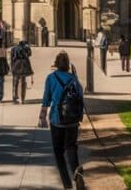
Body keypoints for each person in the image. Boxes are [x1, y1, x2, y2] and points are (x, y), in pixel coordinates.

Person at [40, 52, 86, 190]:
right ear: (67, 65)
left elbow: (46, 100)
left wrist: (42, 117)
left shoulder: (51, 78)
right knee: (71, 148)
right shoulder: (74, 79)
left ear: (56, 64)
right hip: (72, 120)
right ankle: (77, 175)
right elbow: (80, 98)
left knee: (58, 151)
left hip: (57, 119)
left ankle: (66, 184)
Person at [11, 39, 34, 104]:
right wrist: (28, 47)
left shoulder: (14, 48)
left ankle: (14, 97)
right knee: (23, 82)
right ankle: (22, 98)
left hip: (16, 64)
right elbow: (29, 54)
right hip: (24, 64)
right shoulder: (26, 48)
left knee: (15, 82)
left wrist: (12, 67)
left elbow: (12, 58)